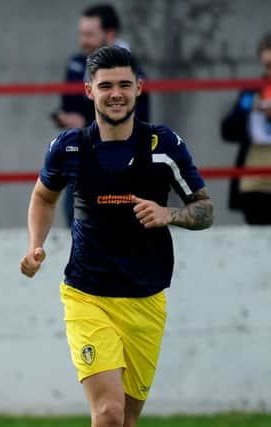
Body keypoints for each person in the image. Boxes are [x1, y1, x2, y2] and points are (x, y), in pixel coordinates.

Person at [20, 46, 213, 427]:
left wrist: (169, 214)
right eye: (106, 85)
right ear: (89, 90)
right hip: (87, 295)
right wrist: (35, 245)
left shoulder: (164, 145)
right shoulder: (69, 147)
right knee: (107, 413)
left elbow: (205, 209)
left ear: (139, 88)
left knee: (126, 418)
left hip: (146, 299)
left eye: (125, 84)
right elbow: (43, 196)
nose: (116, 93)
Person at [52, 4, 150, 227]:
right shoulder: (76, 63)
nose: (83, 41)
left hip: (120, 160)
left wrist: (84, 120)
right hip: (83, 155)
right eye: (81, 34)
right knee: (75, 217)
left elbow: (137, 119)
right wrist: (68, 118)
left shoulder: (133, 73)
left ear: (110, 35)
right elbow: (69, 104)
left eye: (89, 35)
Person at [221, 32, 271, 224]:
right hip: (254, 184)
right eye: (267, 66)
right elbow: (227, 131)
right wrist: (246, 110)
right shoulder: (251, 92)